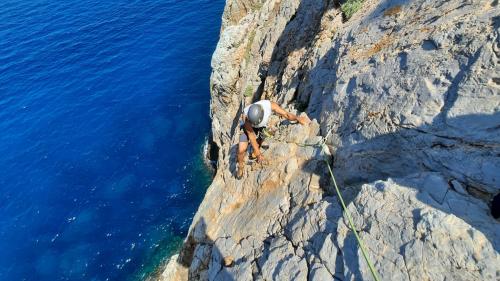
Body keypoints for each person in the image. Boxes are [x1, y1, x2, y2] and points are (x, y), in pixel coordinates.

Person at [237, 99, 309, 179]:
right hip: (248, 128)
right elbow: (251, 136)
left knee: (265, 133)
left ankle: (258, 145)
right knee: (241, 150)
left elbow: (286, 114)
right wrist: (259, 155)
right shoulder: (246, 117)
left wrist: (297, 118)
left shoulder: (269, 105)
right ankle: (240, 166)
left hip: (261, 126)